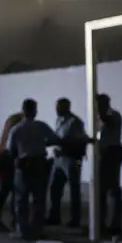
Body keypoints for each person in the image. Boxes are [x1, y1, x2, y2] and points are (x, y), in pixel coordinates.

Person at [6, 99, 61, 241]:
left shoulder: (16, 129)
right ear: (35, 111)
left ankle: (22, 230)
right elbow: (55, 139)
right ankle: (37, 230)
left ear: (22, 111)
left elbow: (11, 150)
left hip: (23, 165)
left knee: (21, 199)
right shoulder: (41, 126)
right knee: (39, 198)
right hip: (38, 163)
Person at [47, 98, 89, 228]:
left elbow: (78, 141)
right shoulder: (59, 120)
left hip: (71, 158)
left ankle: (75, 219)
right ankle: (54, 216)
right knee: (54, 188)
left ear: (67, 107)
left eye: (59, 107)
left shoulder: (75, 122)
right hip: (59, 158)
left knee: (74, 189)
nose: (57, 110)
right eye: (56, 107)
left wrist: (61, 145)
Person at [96, 94, 122, 238]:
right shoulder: (99, 117)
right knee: (100, 191)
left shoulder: (113, 115)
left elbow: (106, 120)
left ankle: (115, 225)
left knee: (112, 190)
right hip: (102, 154)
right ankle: (100, 223)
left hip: (111, 153)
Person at [0, 111, 24, 231]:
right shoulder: (18, 129)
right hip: (9, 158)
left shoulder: (9, 128)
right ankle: (14, 218)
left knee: (4, 190)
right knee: (14, 190)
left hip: (2, 157)